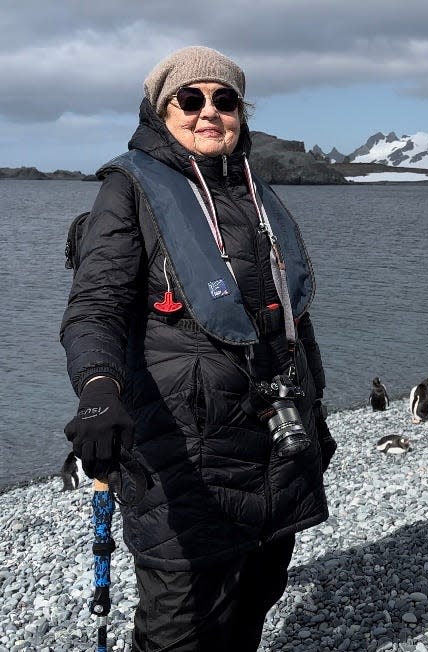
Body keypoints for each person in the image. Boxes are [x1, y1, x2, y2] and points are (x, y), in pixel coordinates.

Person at [60, 45, 337, 651]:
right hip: (183, 447)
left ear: (241, 112)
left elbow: (295, 315)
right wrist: (99, 392)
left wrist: (317, 417)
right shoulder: (129, 190)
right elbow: (94, 307)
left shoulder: (257, 195)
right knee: (181, 622)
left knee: (257, 594)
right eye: (190, 99)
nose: (208, 112)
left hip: (274, 439)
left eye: (225, 99)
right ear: (162, 112)